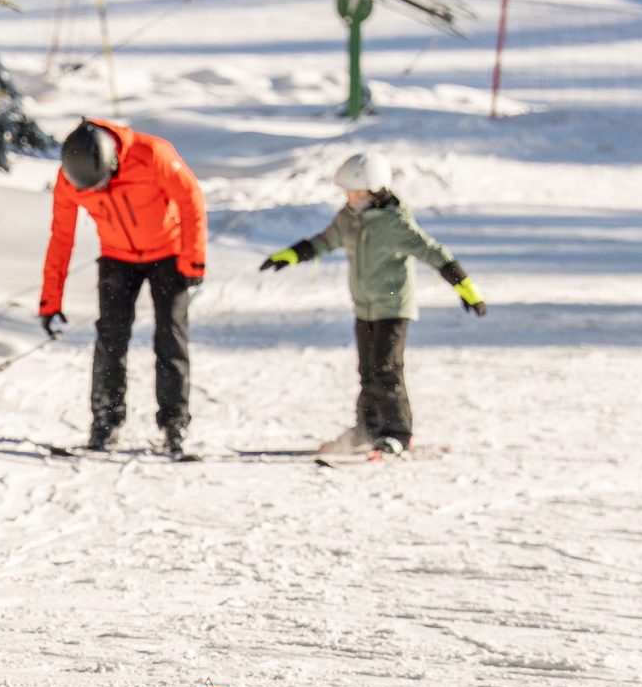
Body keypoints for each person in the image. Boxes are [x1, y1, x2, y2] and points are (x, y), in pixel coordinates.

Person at [258, 153, 485, 459]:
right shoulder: (348, 219)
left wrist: (465, 286)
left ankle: (398, 433)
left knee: (387, 368)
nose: (351, 199)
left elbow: (435, 253)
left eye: (357, 194)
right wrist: (292, 254)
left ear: (376, 191)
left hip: (393, 307)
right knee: (366, 371)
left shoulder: (395, 224)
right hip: (364, 307)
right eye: (348, 194)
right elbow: (325, 240)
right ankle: (368, 428)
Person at [38, 118, 208, 459]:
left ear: (114, 162)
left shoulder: (153, 154)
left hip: (168, 255)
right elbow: (61, 237)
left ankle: (175, 425)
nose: (97, 194)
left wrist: (193, 262)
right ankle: (105, 423)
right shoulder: (71, 178)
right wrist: (50, 301)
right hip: (117, 258)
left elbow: (190, 200)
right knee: (110, 339)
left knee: (170, 338)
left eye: (101, 185)